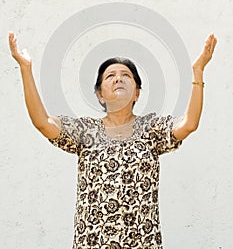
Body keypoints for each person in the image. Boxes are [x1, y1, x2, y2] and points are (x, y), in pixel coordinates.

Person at [8, 31, 217, 249]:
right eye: (110, 76)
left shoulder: (151, 129)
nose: (118, 78)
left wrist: (198, 71)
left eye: (126, 75)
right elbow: (43, 122)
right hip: (92, 243)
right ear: (99, 94)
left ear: (136, 93)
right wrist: (25, 69)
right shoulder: (85, 130)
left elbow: (189, 123)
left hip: (143, 243)